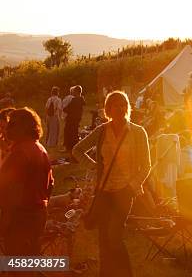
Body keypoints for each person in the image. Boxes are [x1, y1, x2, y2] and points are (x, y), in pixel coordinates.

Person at [72, 91, 151, 277]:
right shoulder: (101, 131)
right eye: (115, 104)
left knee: (114, 236)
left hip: (125, 191)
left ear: (127, 108)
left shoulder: (138, 132)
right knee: (103, 238)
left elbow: (146, 165)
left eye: (123, 104)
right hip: (104, 190)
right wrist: (94, 167)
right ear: (108, 109)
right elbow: (77, 150)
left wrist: (133, 185)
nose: (120, 107)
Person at [0, 108, 54, 258]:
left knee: (19, 265)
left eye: (12, 124)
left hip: (20, 218)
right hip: (38, 213)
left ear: (22, 127)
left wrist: (6, 220)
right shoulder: (39, 148)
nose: (8, 128)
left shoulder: (20, 153)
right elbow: (50, 184)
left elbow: (8, 188)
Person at [63, 85, 85, 155]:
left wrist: (65, 108)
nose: (73, 92)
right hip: (77, 119)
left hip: (71, 119)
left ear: (76, 91)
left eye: (74, 91)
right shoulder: (81, 100)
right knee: (75, 133)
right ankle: (74, 147)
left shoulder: (75, 100)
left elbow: (67, 109)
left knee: (68, 132)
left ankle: (68, 147)